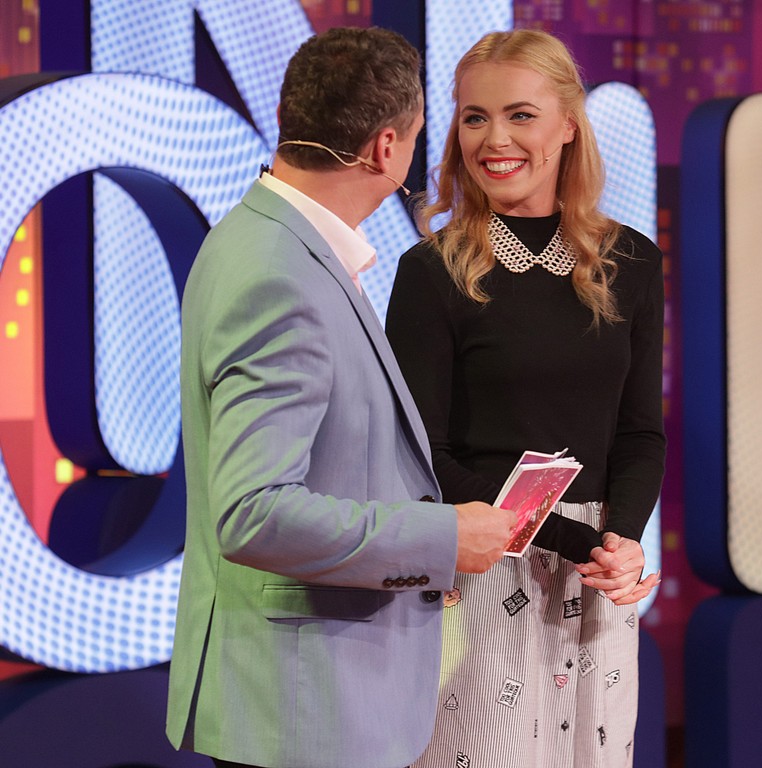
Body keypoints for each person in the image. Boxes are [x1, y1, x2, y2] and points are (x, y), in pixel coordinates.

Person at [165, 27, 515, 768]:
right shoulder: (278, 274)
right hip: (305, 715)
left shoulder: (265, 240)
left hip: (305, 704)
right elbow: (255, 512)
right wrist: (443, 538)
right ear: (387, 148)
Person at [385, 28, 665, 768]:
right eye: (475, 117)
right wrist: (571, 541)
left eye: (520, 115)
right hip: (481, 571)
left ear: (568, 124)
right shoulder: (431, 272)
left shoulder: (632, 262)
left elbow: (640, 433)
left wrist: (620, 542)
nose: (495, 139)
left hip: (598, 577)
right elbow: (419, 453)